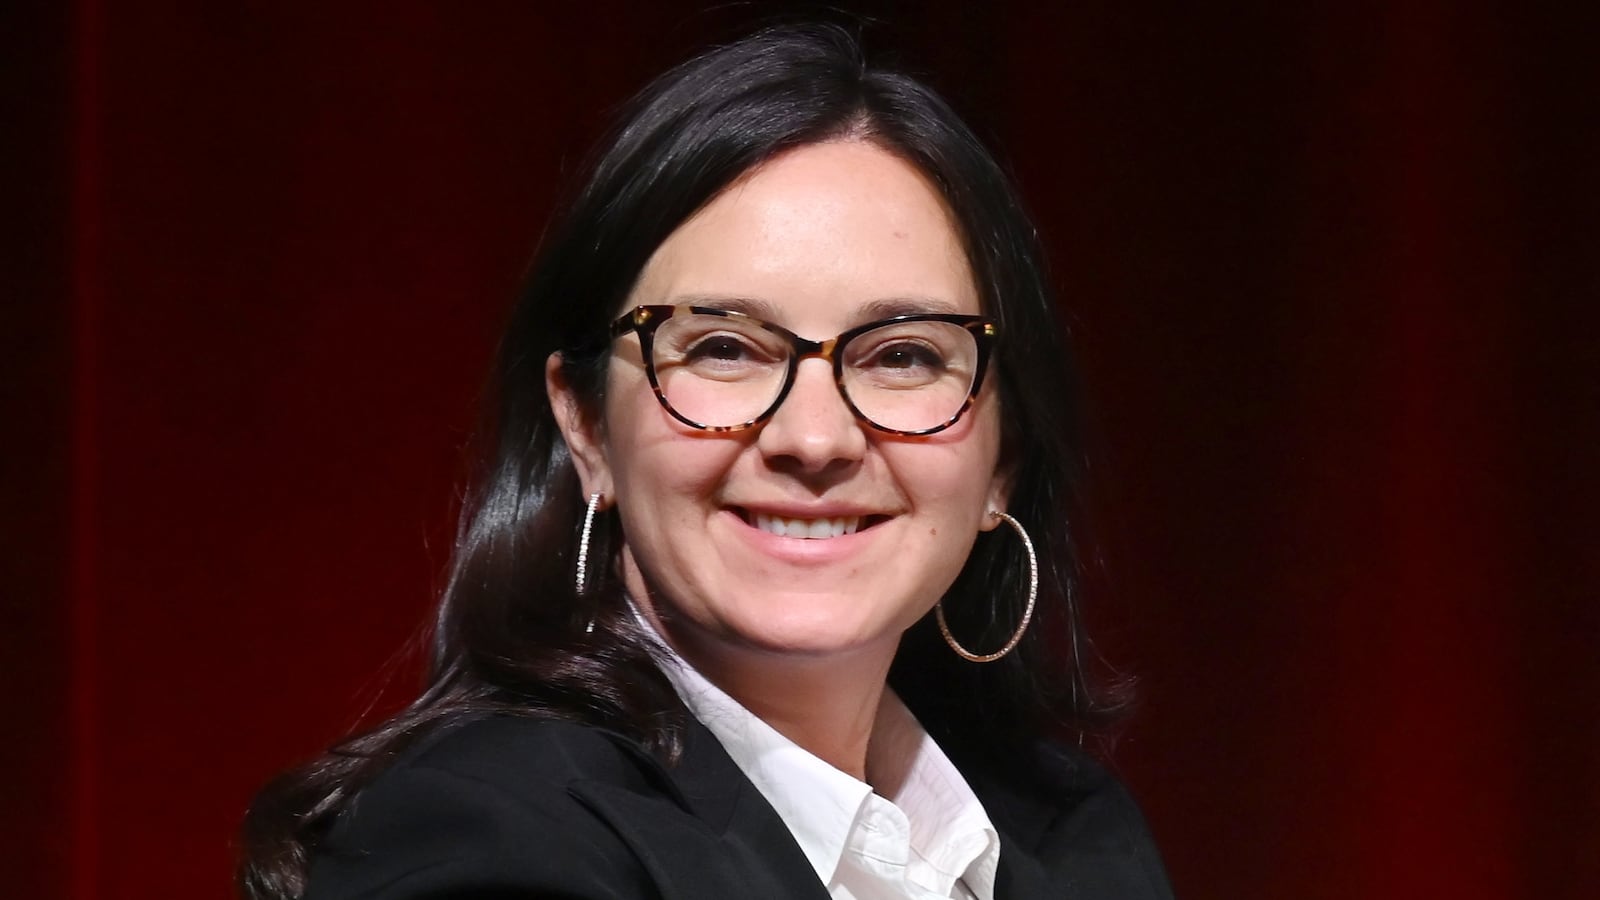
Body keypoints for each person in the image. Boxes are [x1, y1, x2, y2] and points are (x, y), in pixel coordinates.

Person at [240, 23, 1173, 900]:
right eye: (724, 348)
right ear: (587, 427)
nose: (815, 439)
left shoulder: (1068, 835)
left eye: (903, 355)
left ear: (1003, 460)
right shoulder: (487, 842)